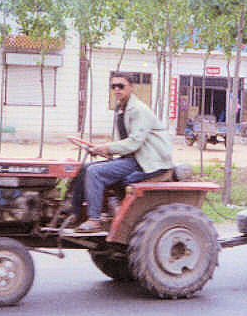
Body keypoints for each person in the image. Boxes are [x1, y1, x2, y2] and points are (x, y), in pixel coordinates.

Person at [69, 75, 174, 232]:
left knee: (94, 172)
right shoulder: (121, 109)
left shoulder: (139, 110)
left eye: (121, 86)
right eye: (114, 87)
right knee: (83, 168)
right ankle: (73, 214)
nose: (117, 89)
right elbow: (124, 143)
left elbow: (134, 142)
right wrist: (106, 151)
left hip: (148, 161)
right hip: (133, 158)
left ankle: (94, 220)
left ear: (131, 87)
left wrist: (107, 147)